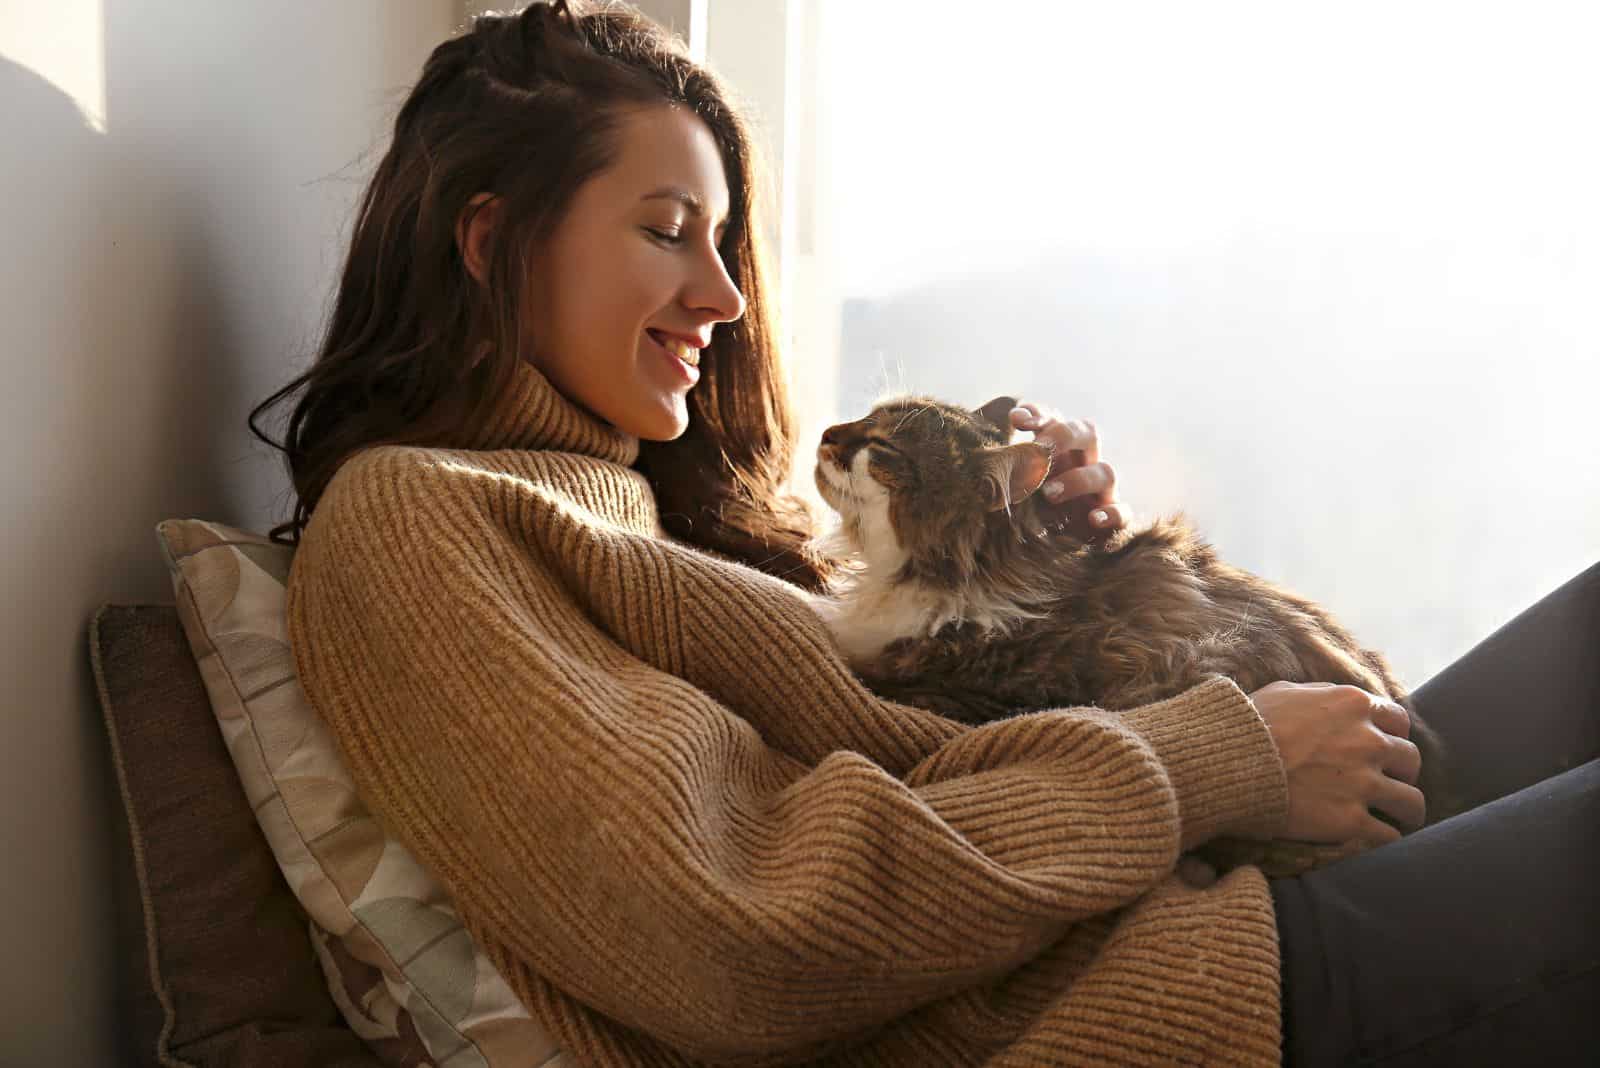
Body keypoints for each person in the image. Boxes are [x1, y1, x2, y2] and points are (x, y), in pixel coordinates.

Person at [252, 2, 1598, 1064]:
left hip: (1173, 917)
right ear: (489, 243)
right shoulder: (416, 532)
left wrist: (1049, 575)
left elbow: (929, 750)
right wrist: (1205, 762)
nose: (724, 293)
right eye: (671, 233)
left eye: (726, 241)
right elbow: (744, 936)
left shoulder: (633, 511)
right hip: (1145, 1013)